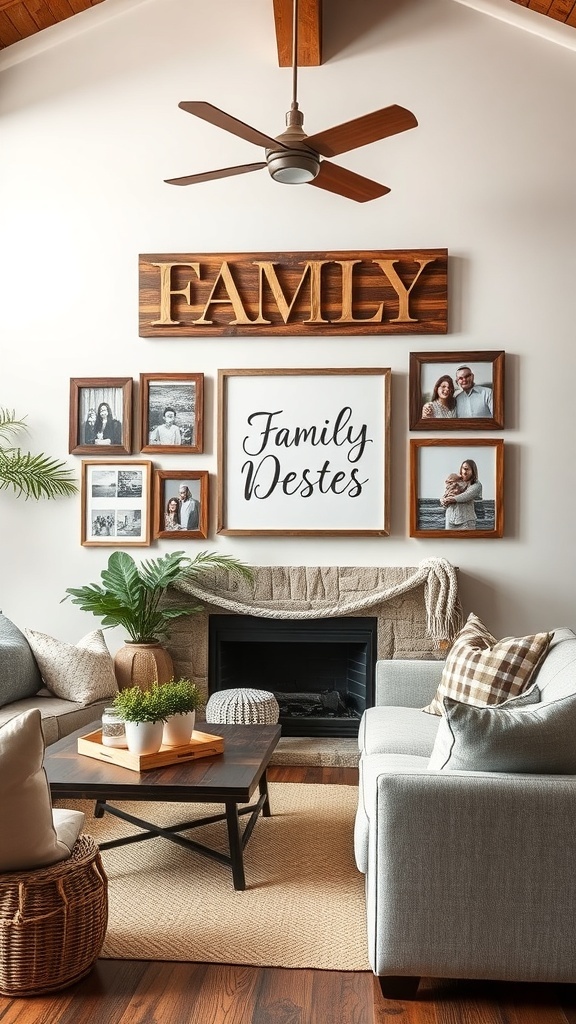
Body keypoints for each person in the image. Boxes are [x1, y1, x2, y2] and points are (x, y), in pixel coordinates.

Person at [440, 459, 482, 530]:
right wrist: (443, 500)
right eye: (463, 468)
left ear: (473, 471)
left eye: (467, 469)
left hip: (467, 521)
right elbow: (446, 494)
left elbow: (466, 495)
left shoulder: (477, 485)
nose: (464, 472)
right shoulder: (454, 481)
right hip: (450, 520)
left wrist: (452, 499)